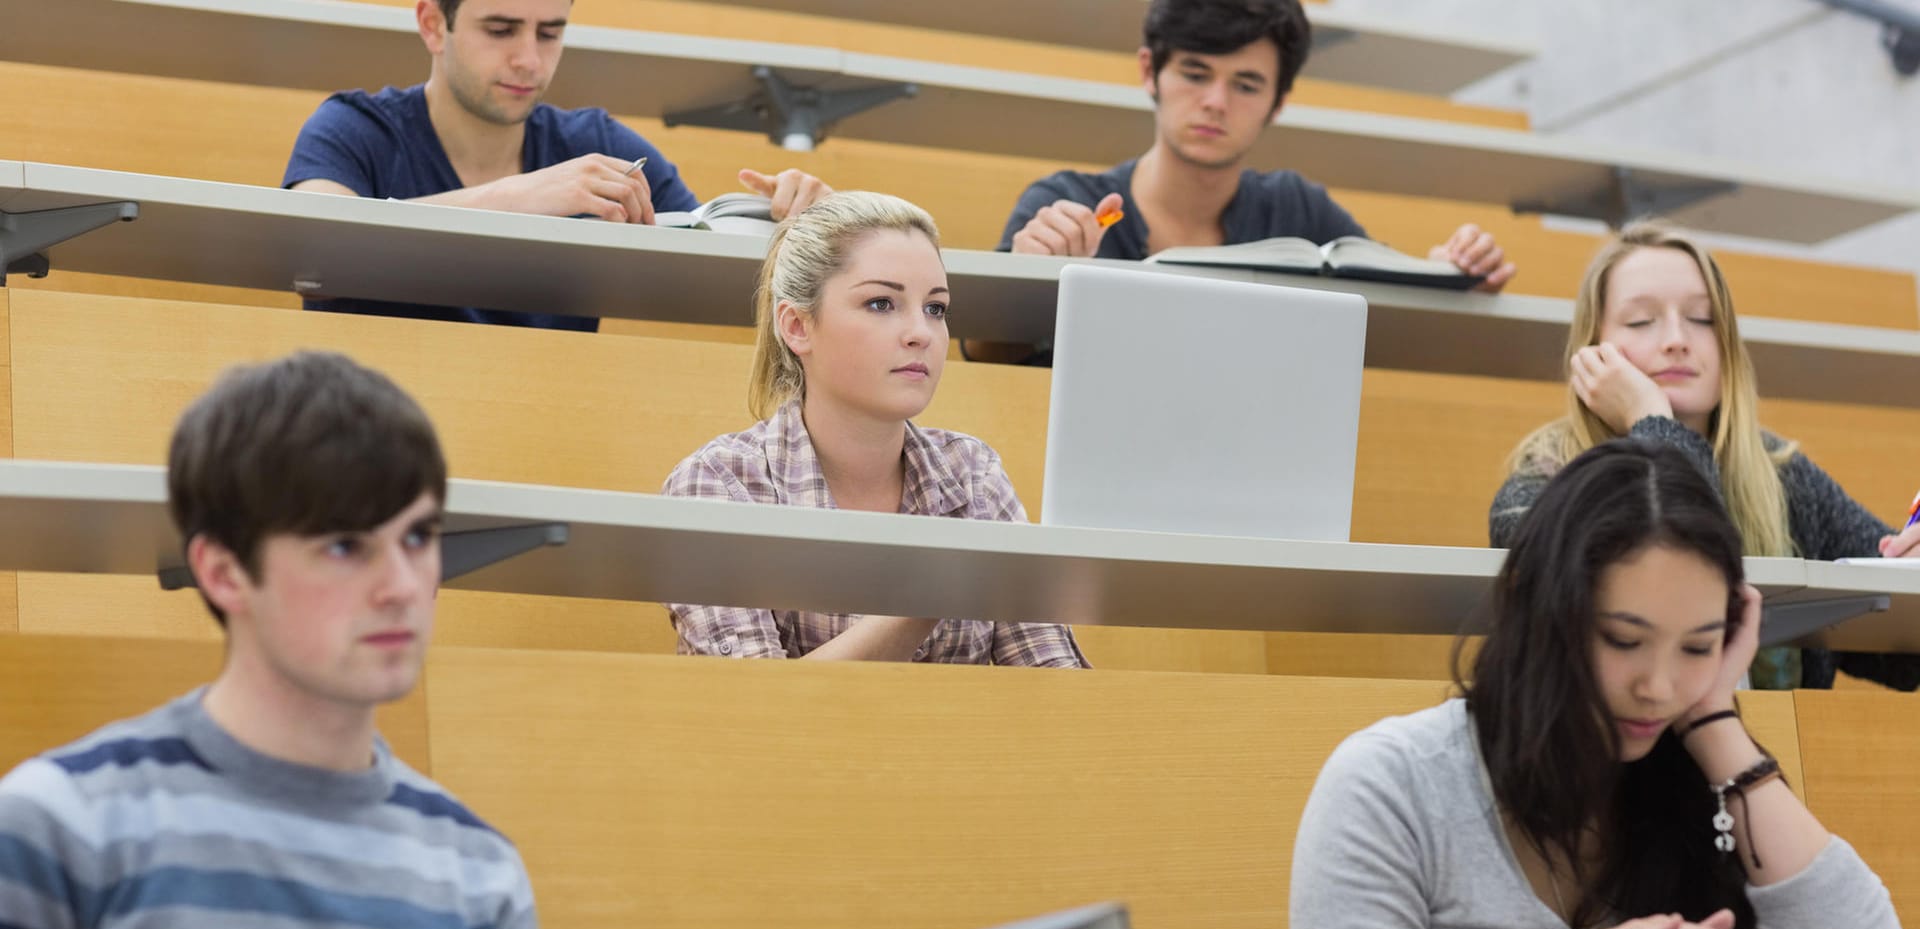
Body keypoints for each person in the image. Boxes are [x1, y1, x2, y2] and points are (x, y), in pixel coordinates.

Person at [1291, 439, 1904, 929]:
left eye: (1696, 647)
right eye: (1624, 640)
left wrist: (1715, 722)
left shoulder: (1684, 775)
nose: (1659, 687)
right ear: (1540, 609)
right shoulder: (1391, 782)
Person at [0, 351, 539, 929]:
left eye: (418, 538)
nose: (402, 586)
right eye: (345, 546)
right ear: (224, 573)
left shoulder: (481, 871)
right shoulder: (55, 831)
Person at [662, 191, 1089, 666]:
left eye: (936, 308)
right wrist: (933, 597)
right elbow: (755, 709)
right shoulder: (719, 482)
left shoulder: (974, 474)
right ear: (798, 326)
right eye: (882, 303)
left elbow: (1054, 680)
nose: (921, 333)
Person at [1491, 220, 1920, 691]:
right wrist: (1652, 420)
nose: (1677, 338)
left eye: (1702, 319)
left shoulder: (1783, 475)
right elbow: (1677, 576)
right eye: (1641, 320)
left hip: (1780, 757)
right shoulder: (1540, 486)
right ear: (1593, 351)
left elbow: (1902, 656)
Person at [971, 0, 1517, 364]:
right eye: (1195, 72)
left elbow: (1394, 296)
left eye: (1247, 84)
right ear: (1148, 72)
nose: (1215, 102)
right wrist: (1028, 274)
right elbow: (982, 352)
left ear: (1278, 103)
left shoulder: (1297, 209)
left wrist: (1457, 269)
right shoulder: (1066, 203)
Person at [282, 0, 833, 331]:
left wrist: (810, 229)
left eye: (550, 33)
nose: (529, 59)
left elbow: (717, 273)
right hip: (364, 450)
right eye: (500, 30)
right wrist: (513, 199)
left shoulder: (596, 142)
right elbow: (314, 250)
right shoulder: (353, 127)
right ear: (432, 23)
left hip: (547, 430)